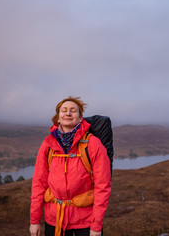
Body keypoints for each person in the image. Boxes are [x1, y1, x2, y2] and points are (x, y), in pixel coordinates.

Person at [30, 96, 111, 236]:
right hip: (54, 220)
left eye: (73, 110)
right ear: (58, 117)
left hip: (85, 220)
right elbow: (39, 184)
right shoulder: (48, 144)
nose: (68, 113)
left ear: (80, 118)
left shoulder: (93, 144)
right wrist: (34, 221)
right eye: (64, 110)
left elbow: (102, 186)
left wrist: (96, 226)